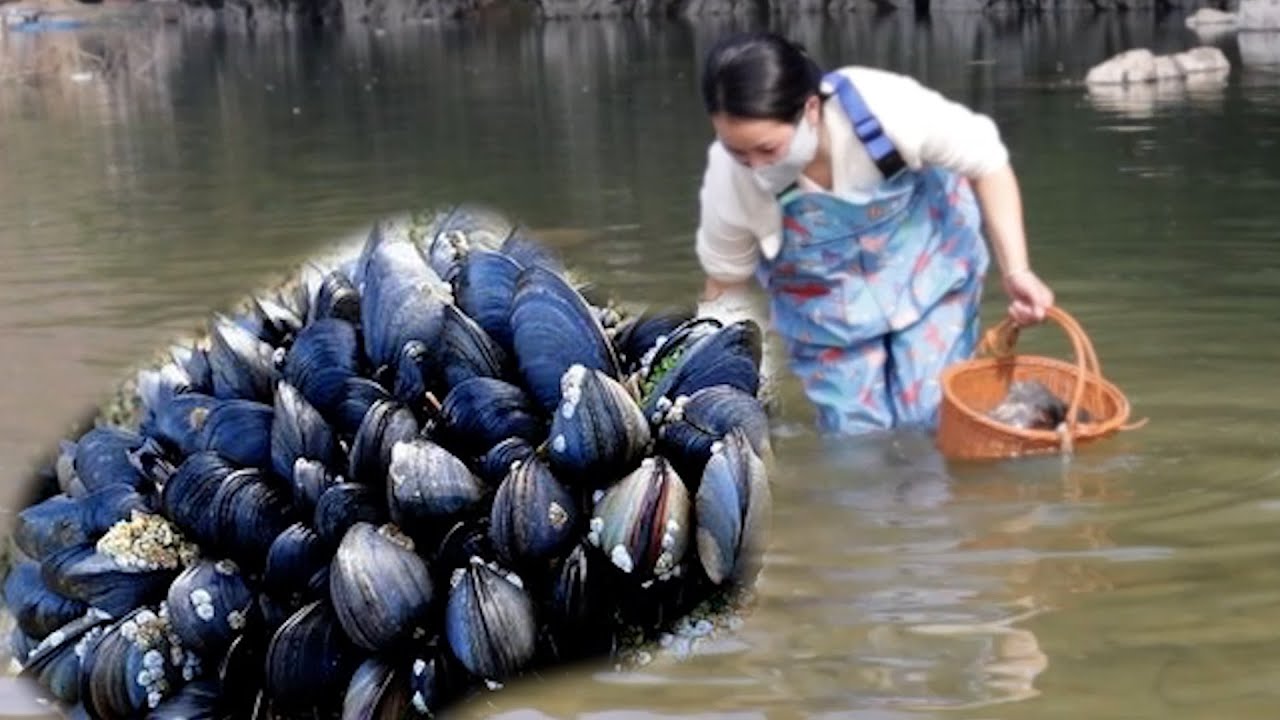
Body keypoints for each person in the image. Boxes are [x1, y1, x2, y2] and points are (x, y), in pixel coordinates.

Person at [692, 31, 1055, 436]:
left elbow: (987, 164)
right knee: (855, 438)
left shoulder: (882, 107)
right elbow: (726, 285)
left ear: (810, 109)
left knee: (931, 415)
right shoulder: (729, 178)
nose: (755, 166)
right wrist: (723, 381)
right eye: (738, 152)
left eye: (768, 149)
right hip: (827, 310)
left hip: (930, 273)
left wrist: (1017, 271)